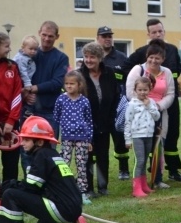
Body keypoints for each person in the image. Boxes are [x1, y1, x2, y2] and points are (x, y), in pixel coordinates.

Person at [0, 116, 83, 223]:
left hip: (61, 209)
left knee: (11, 194)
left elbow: (30, 187)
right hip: (70, 210)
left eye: (26, 140)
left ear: (40, 142)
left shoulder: (41, 155)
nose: (22, 143)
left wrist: (1, 188)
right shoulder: (51, 154)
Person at [123, 19, 181, 181]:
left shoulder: (171, 53)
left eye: (160, 31)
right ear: (148, 34)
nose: (158, 34)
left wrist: (159, 105)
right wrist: (141, 102)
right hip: (141, 111)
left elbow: (171, 89)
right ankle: (140, 180)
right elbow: (129, 86)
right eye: (154, 32)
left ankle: (160, 176)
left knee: (163, 141)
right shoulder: (139, 60)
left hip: (162, 108)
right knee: (142, 146)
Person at [80, 42, 121, 198]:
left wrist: (111, 116)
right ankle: (88, 188)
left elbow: (116, 95)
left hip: (105, 121)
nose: (89, 60)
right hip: (85, 124)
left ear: (100, 58)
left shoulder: (109, 73)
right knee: (87, 157)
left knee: (103, 156)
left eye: (92, 57)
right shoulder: (80, 75)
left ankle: (103, 187)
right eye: (86, 56)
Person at [0, 32, 23, 186]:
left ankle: (8, 194)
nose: (9, 49)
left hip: (10, 123)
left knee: (11, 163)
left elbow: (17, 94)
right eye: (6, 46)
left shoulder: (12, 66)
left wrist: (11, 120)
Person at [96, 26, 131, 180]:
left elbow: (129, 81)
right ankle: (101, 171)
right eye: (104, 36)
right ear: (98, 38)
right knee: (100, 140)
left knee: (120, 138)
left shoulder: (122, 58)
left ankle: (124, 169)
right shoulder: (95, 56)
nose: (107, 38)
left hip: (117, 105)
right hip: (99, 106)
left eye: (109, 36)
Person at [53, 70, 93, 204]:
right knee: (64, 164)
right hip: (66, 138)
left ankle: (82, 192)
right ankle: (64, 191)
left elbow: (89, 121)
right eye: (67, 84)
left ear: (79, 85)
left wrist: (89, 139)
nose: (69, 86)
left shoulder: (84, 101)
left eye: (72, 84)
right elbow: (56, 118)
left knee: (81, 165)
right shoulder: (61, 99)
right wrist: (56, 136)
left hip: (82, 138)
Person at [27, 21, 69, 132]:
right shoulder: (30, 55)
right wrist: (25, 93)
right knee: (27, 147)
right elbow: (20, 78)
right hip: (29, 108)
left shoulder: (61, 58)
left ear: (57, 37)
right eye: (44, 35)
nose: (46, 38)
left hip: (50, 111)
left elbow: (57, 82)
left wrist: (34, 89)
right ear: (39, 33)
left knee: (49, 148)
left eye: (50, 36)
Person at [124, 76, 160, 197]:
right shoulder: (132, 104)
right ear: (135, 90)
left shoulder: (152, 102)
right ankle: (136, 188)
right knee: (139, 161)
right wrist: (128, 139)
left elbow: (157, 117)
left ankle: (144, 185)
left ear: (149, 90)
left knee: (144, 161)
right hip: (137, 136)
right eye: (140, 90)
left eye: (145, 90)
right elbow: (127, 122)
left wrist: (149, 105)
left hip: (148, 135)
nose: (142, 92)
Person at [14, 34, 38, 119]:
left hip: (25, 82)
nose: (33, 51)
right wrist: (28, 84)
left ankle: (28, 110)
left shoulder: (28, 58)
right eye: (30, 49)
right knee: (28, 95)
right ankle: (27, 110)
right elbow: (22, 72)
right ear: (23, 48)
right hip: (22, 82)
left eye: (35, 49)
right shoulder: (21, 59)